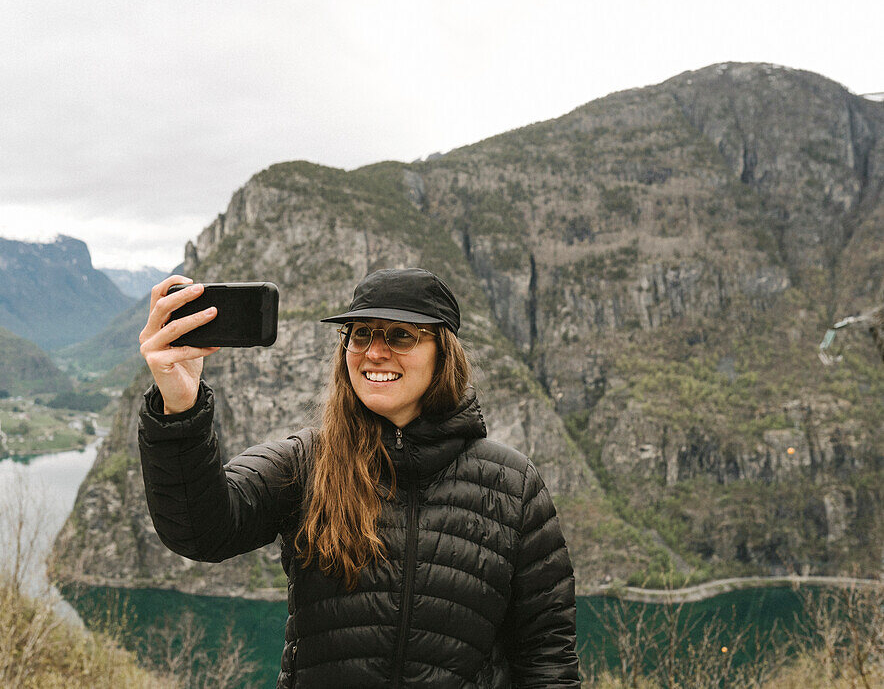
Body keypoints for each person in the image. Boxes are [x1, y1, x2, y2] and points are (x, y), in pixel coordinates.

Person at [138, 268, 579, 688]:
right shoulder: (308, 462)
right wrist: (179, 405)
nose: (374, 351)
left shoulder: (513, 486)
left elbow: (547, 655)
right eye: (360, 333)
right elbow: (201, 531)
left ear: (444, 353)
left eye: (401, 335)